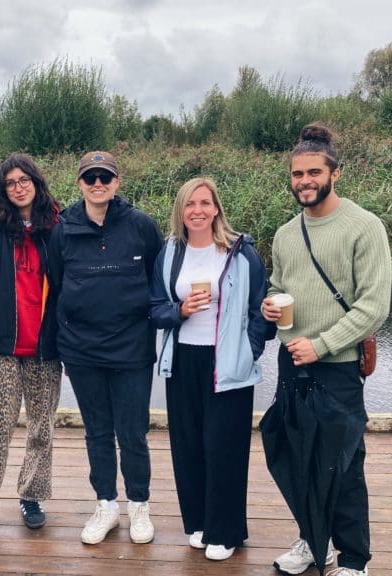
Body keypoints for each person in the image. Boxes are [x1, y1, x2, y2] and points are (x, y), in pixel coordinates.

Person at [261, 124, 391, 576]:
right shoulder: (285, 233)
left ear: (336, 173)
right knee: (297, 458)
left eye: (314, 172)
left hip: (336, 367)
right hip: (292, 362)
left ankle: (354, 560)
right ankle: (313, 542)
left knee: (344, 464)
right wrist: (270, 309)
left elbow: (374, 308)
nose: (304, 181)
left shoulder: (364, 226)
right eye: (297, 174)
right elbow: (281, 286)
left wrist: (322, 345)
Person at [150, 177, 273, 561]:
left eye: (205, 203)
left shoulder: (240, 252)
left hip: (228, 363)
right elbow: (154, 308)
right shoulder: (169, 253)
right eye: (190, 204)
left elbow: (261, 311)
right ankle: (201, 523)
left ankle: (227, 531)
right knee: (187, 445)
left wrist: (249, 351)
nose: (197, 211)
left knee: (225, 447)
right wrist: (180, 311)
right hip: (184, 358)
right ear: (181, 211)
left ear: (216, 208)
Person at [48, 151, 164, 545]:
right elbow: (57, 285)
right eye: (90, 177)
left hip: (132, 350)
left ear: (117, 182)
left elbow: (159, 281)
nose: (98, 184)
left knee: (133, 433)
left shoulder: (142, 226)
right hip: (82, 352)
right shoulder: (62, 230)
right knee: (97, 432)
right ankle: (106, 505)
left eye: (106, 177)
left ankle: (139, 505)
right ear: (79, 183)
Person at [0, 153, 62, 537]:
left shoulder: (59, 229)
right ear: (3, 191)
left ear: (36, 183)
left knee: (42, 429)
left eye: (24, 180)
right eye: (10, 182)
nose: (18, 187)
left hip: (45, 350)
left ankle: (32, 496)